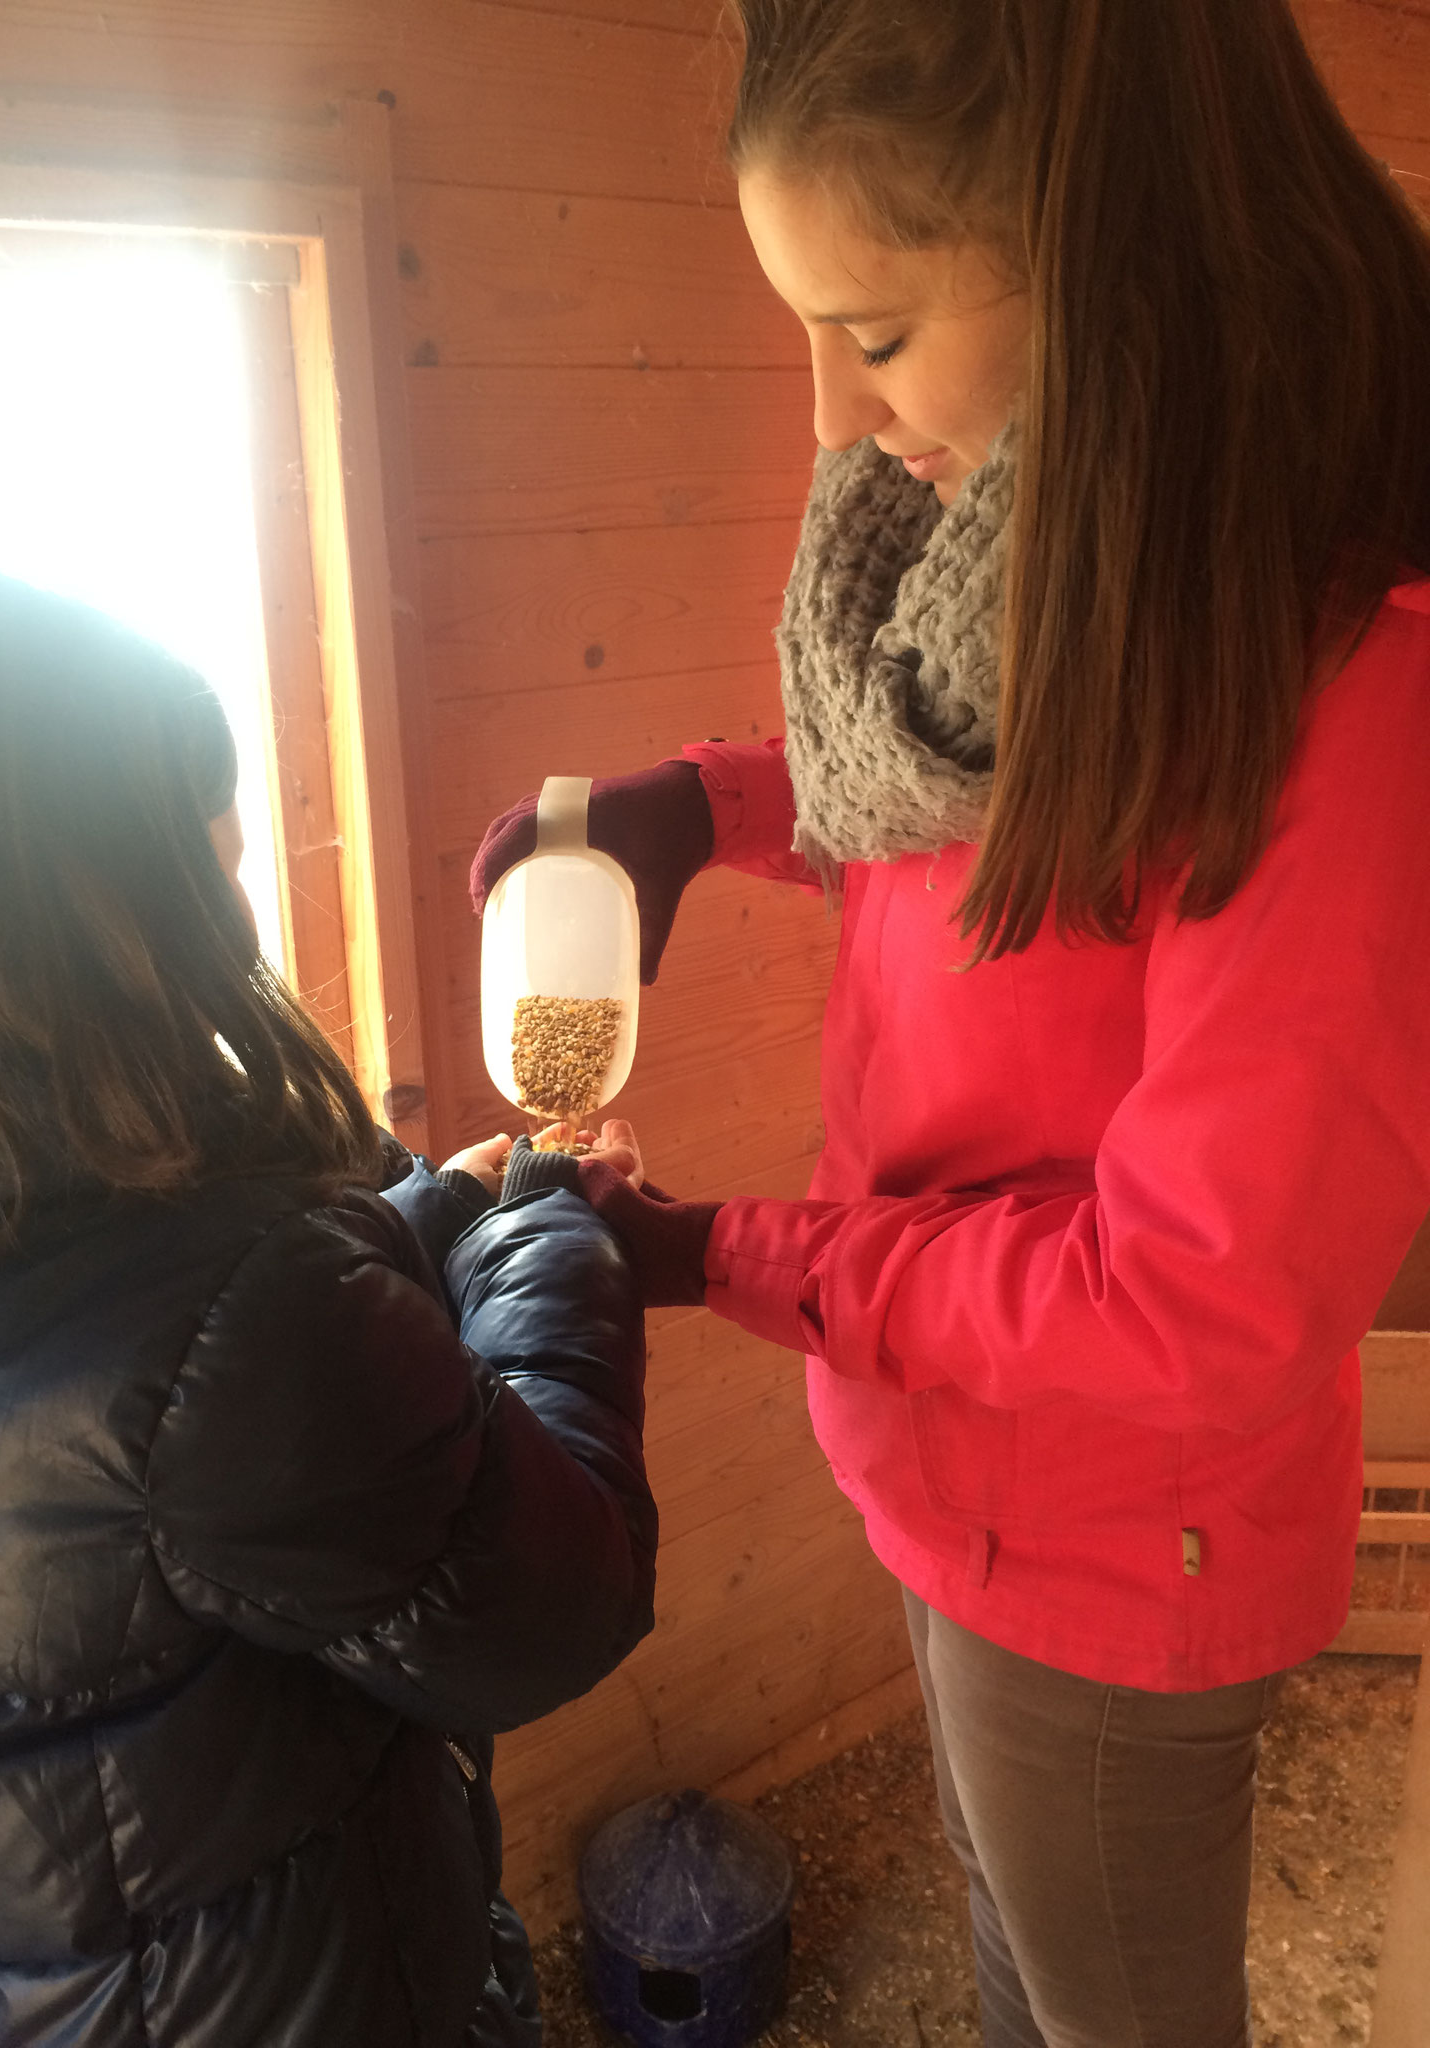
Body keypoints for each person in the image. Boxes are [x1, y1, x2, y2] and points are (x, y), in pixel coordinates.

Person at [471, 3, 1430, 2042]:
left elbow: (1200, 1307)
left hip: (1107, 1529)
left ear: (1115, 273)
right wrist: (705, 810)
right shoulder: (1054, 543)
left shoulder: (1347, 688)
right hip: (948, 1449)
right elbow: (998, 844)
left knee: (1109, 2007)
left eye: (879, 333)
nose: (831, 414)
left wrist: (728, 1253)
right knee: (1018, 1949)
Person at [0, 565, 658, 2048]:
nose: (241, 918)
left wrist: (425, 1216)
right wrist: (552, 1239)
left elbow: (187, 1353)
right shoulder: (231, 1312)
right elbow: (550, 1602)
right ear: (74, 924)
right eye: (210, 875)